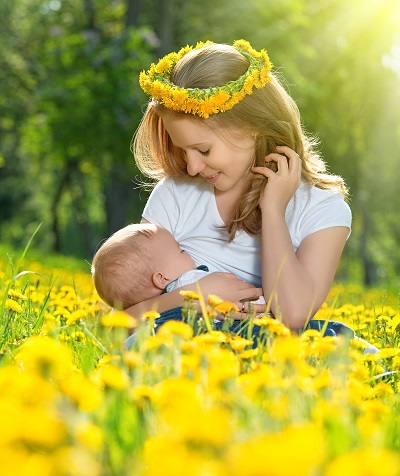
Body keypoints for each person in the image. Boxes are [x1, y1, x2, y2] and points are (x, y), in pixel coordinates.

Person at [127, 39, 352, 335]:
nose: (192, 167)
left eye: (203, 151)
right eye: (183, 151)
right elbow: (122, 318)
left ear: (254, 128)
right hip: (187, 341)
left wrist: (273, 211)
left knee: (334, 341)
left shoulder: (322, 209)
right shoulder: (176, 194)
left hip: (267, 349)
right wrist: (191, 298)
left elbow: (293, 316)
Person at [91, 222, 266, 310]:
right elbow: (242, 296)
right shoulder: (192, 282)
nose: (186, 251)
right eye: (180, 251)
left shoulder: (157, 316)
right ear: (161, 278)